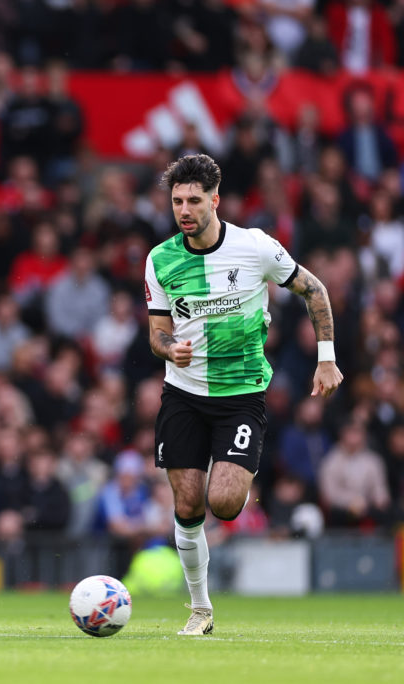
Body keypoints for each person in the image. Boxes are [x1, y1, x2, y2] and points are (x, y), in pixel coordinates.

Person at [144, 153, 343, 635]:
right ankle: (200, 609)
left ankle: (238, 476)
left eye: (194, 200)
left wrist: (327, 357)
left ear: (216, 200)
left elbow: (313, 289)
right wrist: (173, 350)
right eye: (177, 201)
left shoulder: (255, 247)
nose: (185, 209)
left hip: (241, 395)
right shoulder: (160, 259)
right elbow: (157, 333)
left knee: (226, 503)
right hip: (184, 394)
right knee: (188, 506)